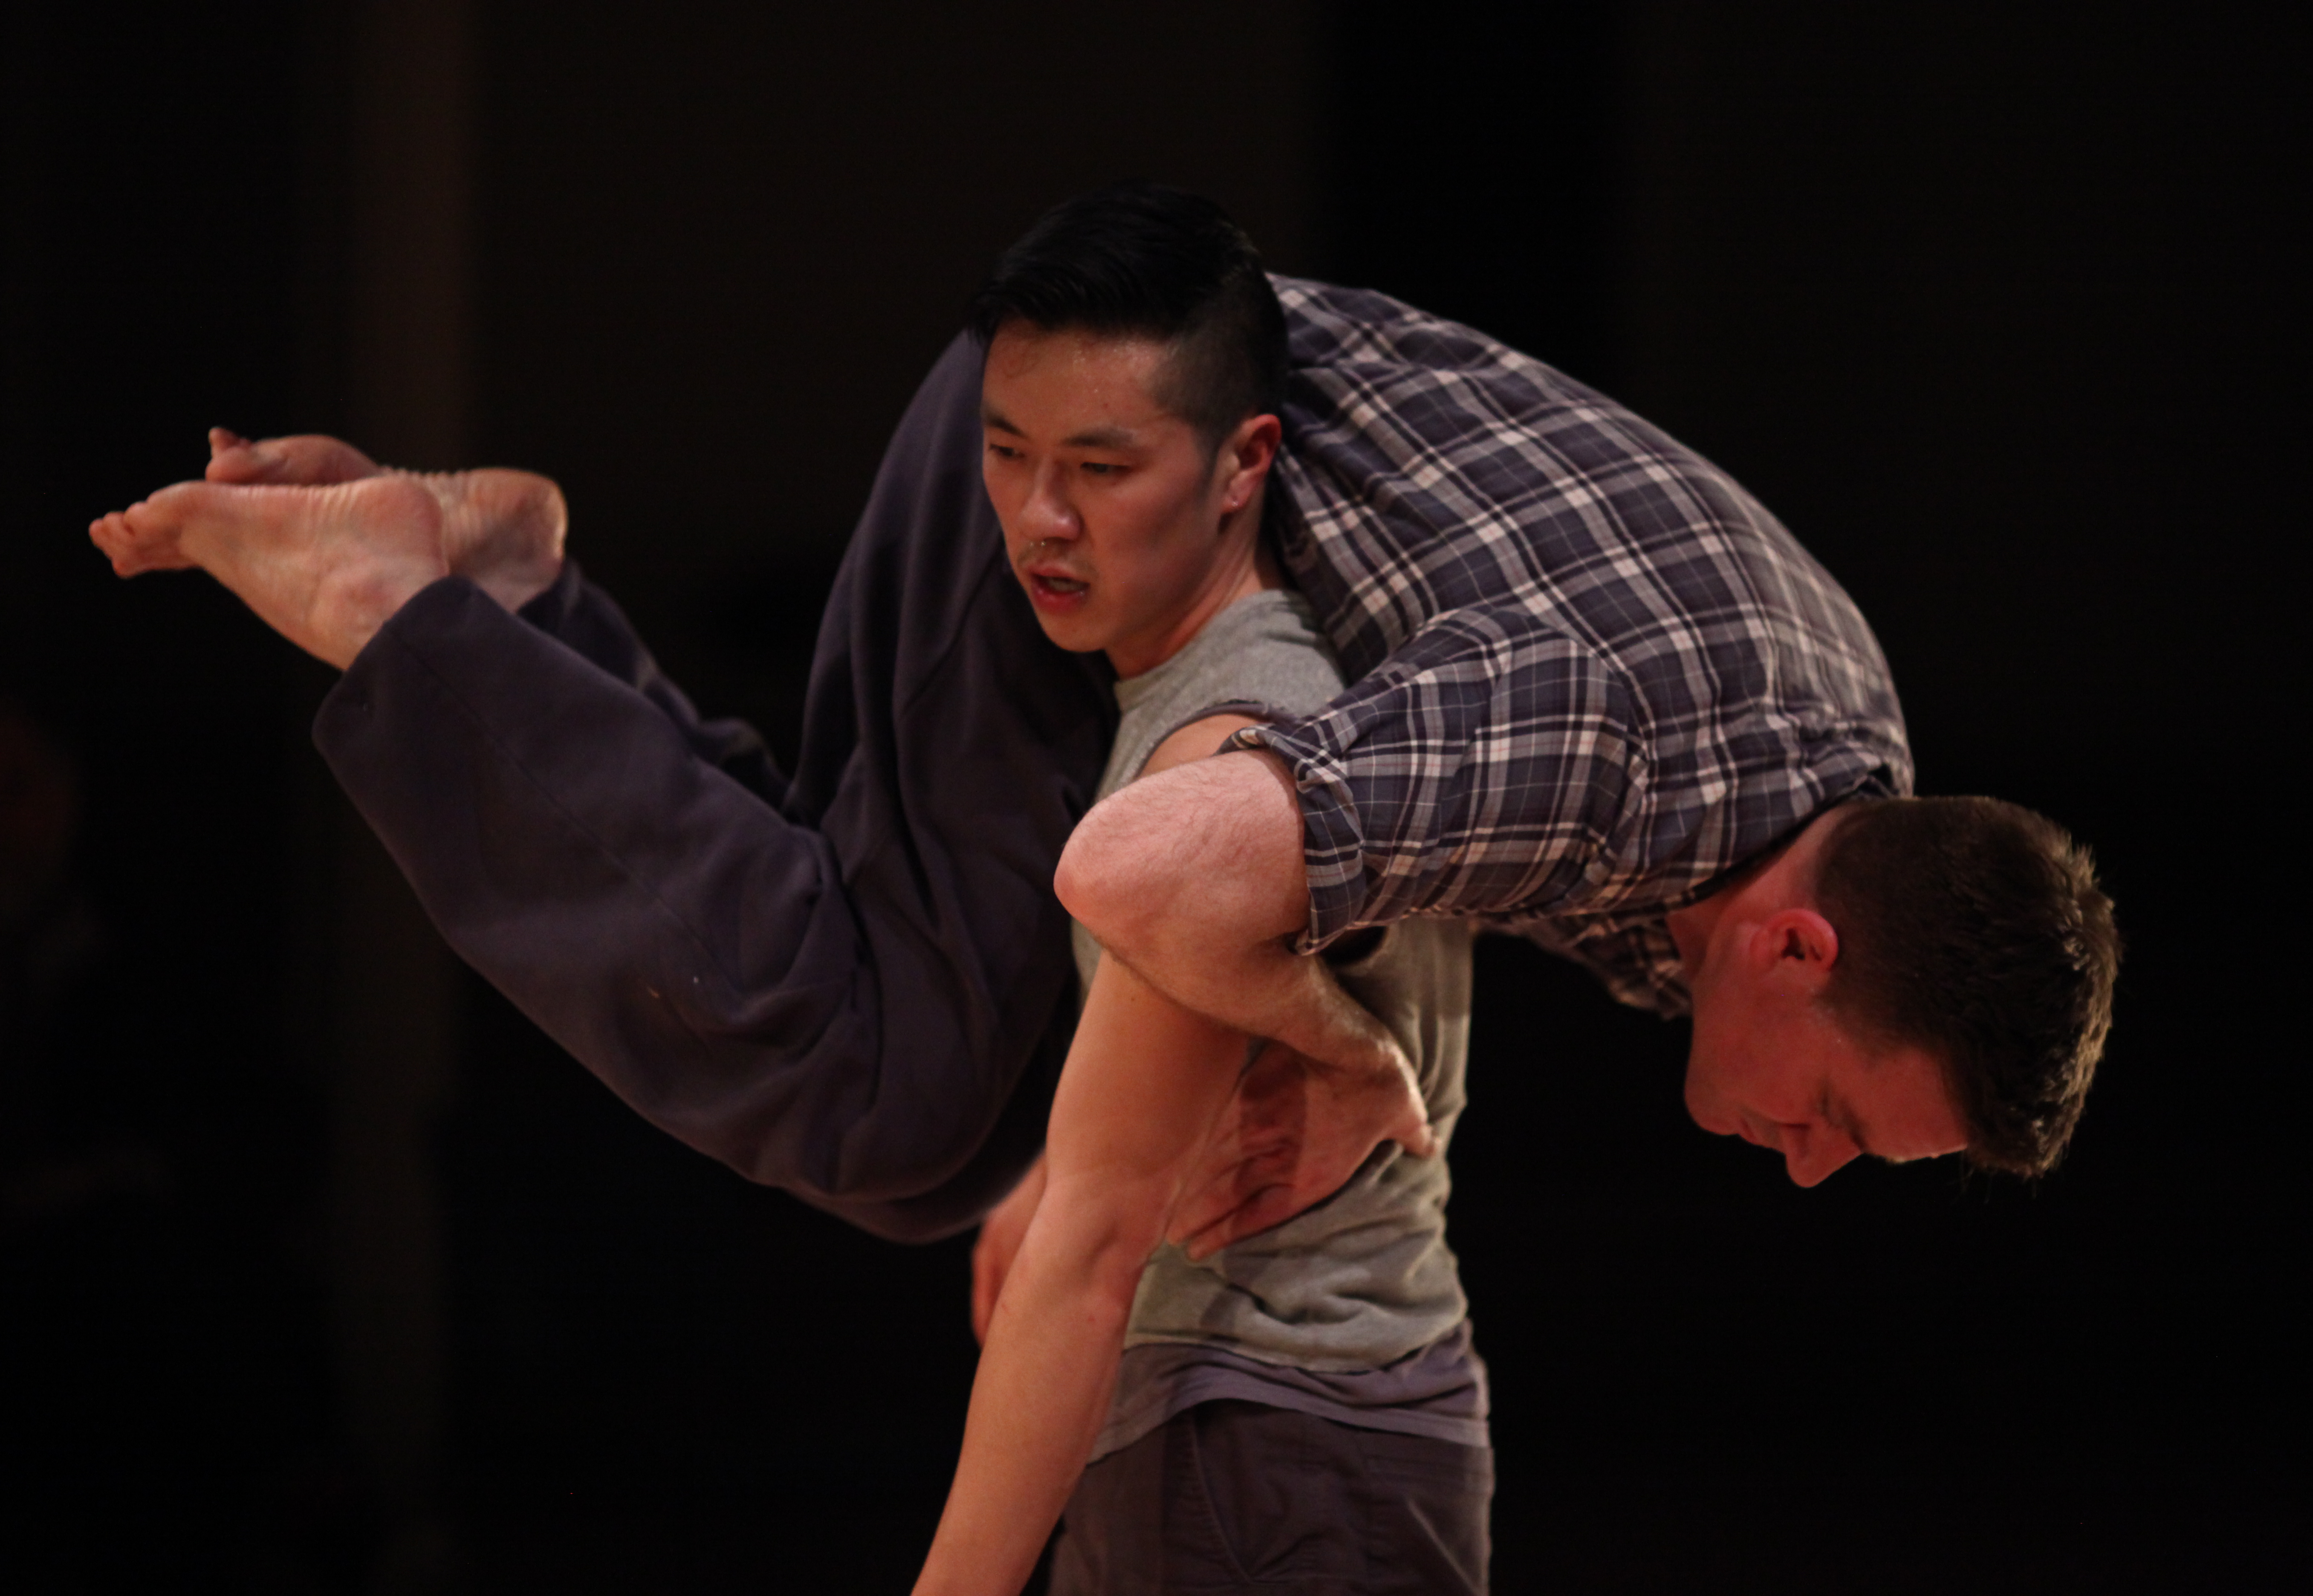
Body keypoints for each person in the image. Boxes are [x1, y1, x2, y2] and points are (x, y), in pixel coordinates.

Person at [86, 183, 2119, 1256]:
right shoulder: (1603, 762)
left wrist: (1096, 1160)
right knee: (883, 1086)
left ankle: (512, 591)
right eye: (1843, 1119)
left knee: (930, 1151)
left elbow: (1405, 805)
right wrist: (1322, 1058)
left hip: (1156, 475)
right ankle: (414, 618)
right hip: (1092, 469)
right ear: (1799, 943)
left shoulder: (1846, 753)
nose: (1803, 1167)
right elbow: (1142, 867)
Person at [915, 202, 1487, 1595]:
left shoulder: (1231, 736)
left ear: (1246, 464)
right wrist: (1059, 1178)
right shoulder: (1255, 675)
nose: (1042, 518)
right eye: (1007, 454)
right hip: (1303, 1430)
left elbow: (1095, 1259)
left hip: (1261, 1440)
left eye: (1103, 468)